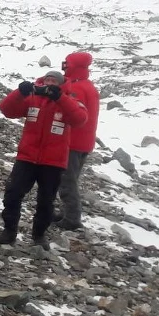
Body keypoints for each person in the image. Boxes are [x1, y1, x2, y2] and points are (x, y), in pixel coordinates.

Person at [0, 70, 88, 249]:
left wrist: (60, 98)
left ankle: (39, 235)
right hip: (27, 158)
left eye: (53, 81)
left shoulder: (70, 100)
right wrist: (19, 92)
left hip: (53, 162)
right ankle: (9, 231)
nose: (49, 83)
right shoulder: (32, 98)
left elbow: (79, 119)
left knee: (46, 201)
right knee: (13, 193)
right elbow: (6, 110)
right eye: (47, 80)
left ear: (61, 85)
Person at [54, 51, 99, 230]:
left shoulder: (77, 88)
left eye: (67, 63)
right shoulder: (87, 85)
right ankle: (68, 214)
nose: (64, 66)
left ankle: (72, 218)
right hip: (83, 143)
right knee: (71, 179)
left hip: (73, 142)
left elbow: (73, 114)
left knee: (66, 181)